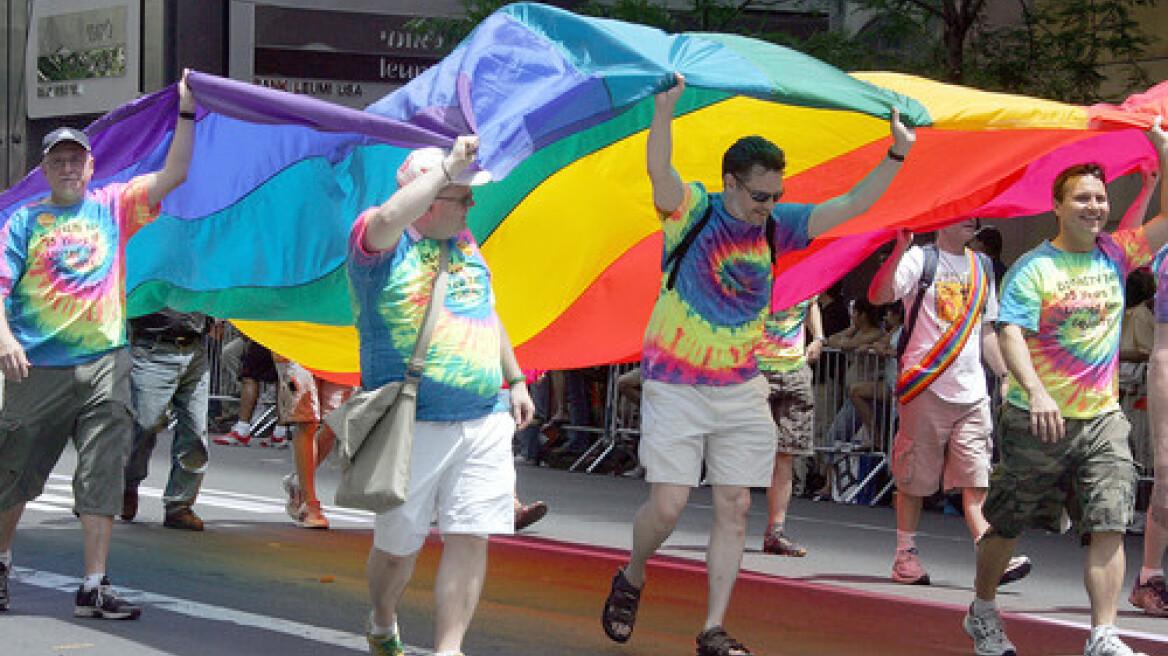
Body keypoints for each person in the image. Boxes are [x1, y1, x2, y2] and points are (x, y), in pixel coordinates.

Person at [601, 72, 914, 656]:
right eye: (758, 195)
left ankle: (712, 629)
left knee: (737, 503)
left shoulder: (779, 226)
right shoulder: (693, 210)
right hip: (675, 382)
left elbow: (847, 207)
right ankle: (634, 573)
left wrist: (896, 153)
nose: (768, 205)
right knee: (667, 506)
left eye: (776, 194)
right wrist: (664, 111)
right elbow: (659, 174)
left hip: (742, 385)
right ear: (729, 184)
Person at [963, 119, 1168, 656]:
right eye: (1082, 198)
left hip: (1102, 419)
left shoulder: (1117, 253)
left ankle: (1102, 635)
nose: (1094, 207)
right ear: (1058, 206)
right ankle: (983, 608)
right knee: (1006, 524)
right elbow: (1010, 333)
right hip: (1036, 419)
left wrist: (1165, 157)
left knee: (1109, 522)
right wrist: (1035, 390)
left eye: (1101, 198)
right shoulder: (1034, 268)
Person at [0, 72, 195, 618]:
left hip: (106, 364)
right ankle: (1, 564)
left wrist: (185, 110)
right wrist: (4, 338)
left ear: (91, 166)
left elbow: (176, 172)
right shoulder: (24, 222)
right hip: (35, 367)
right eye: (57, 160)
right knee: (12, 474)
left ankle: (94, 583)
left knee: (103, 472)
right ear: (44, 169)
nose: (67, 168)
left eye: (75, 160)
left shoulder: (114, 205)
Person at [350, 136, 534, 656]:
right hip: (412, 427)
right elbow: (387, 219)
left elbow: (486, 309)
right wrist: (446, 168)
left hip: (483, 420)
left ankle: (449, 649)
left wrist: (515, 379)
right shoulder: (379, 245)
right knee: (397, 548)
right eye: (462, 195)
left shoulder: (468, 243)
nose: (472, 205)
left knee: (472, 535)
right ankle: (383, 619)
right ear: (429, 201)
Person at [869, 220, 1031, 588]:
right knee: (914, 477)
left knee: (977, 478)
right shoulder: (917, 259)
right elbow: (879, 296)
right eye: (962, 213)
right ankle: (904, 556)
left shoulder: (983, 266)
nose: (971, 220)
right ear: (943, 220)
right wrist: (898, 249)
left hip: (972, 392)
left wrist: (1004, 376)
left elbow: (987, 328)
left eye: (975, 215)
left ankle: (991, 555)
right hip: (924, 385)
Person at [121, 310, 211, 531]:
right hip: (152, 347)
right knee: (145, 424)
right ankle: (125, 485)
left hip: (194, 348)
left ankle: (179, 505)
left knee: (196, 431)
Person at [756, 297, 824, 556]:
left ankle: (776, 531)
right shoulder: (758, 264)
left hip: (795, 370)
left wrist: (818, 337)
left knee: (785, 454)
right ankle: (732, 525)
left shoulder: (804, 269)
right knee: (748, 451)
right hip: (757, 369)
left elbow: (812, 304)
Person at [274, 357, 353, 529]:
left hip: (337, 352)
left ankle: (298, 481)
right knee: (307, 421)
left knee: (335, 421)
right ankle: (310, 504)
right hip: (298, 350)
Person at [213, 336, 285, 447]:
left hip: (267, 332)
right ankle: (280, 433)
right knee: (282, 379)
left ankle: (242, 430)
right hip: (288, 334)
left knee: (250, 377)